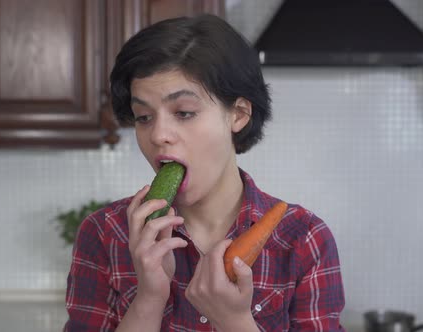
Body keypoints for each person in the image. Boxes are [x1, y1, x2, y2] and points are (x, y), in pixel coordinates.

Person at [64, 14, 345, 331]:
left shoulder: (303, 238)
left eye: (184, 113)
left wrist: (234, 321)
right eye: (143, 116)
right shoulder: (105, 233)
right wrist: (149, 298)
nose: (158, 135)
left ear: (238, 115)